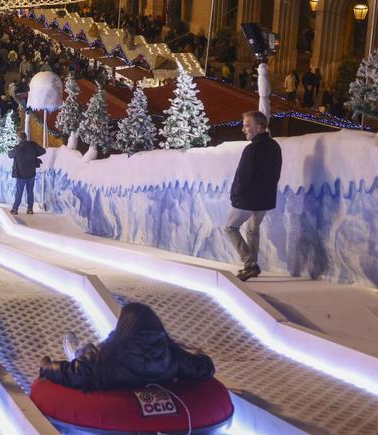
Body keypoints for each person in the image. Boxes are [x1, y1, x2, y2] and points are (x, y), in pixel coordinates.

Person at [39, 302, 215, 392]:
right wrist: (199, 355)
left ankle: (76, 353)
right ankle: (80, 352)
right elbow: (205, 369)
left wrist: (46, 365)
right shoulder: (170, 353)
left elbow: (74, 374)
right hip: (153, 391)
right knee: (91, 353)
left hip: (115, 406)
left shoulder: (110, 353)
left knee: (88, 353)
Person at [224, 110, 282, 281]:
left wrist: (235, 195)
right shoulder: (274, 147)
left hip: (249, 199)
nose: (244, 129)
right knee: (252, 231)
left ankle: (250, 264)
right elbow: (276, 174)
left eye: (247, 125)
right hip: (265, 199)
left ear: (259, 127)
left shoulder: (252, 149)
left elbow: (243, 176)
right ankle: (251, 267)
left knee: (230, 227)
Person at [8, 131, 46, 215]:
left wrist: (13, 148)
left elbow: (9, 155)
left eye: (17, 137)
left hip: (21, 174)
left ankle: (15, 209)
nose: (16, 139)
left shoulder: (17, 148)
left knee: (19, 191)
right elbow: (43, 151)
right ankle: (30, 209)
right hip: (31, 173)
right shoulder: (32, 145)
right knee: (30, 192)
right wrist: (34, 153)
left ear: (20, 138)